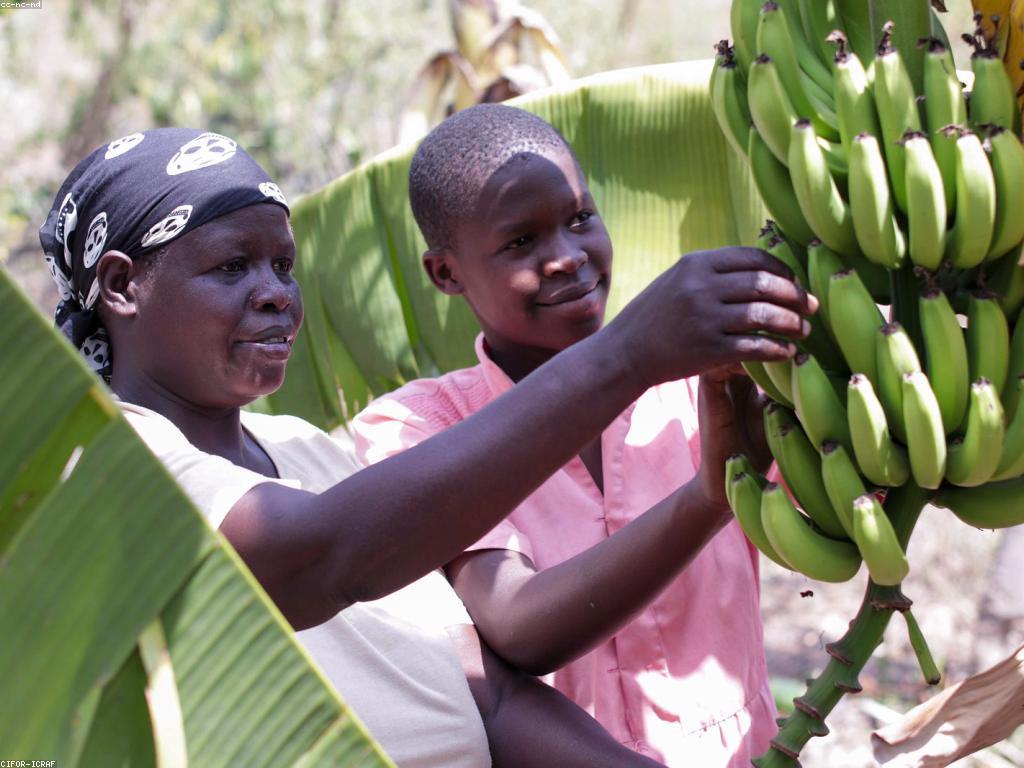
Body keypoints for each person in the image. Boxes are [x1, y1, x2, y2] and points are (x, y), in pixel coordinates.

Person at [40, 127, 813, 766]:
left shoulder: (303, 450)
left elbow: (486, 688)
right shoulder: (112, 460)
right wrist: (629, 355)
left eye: (284, 265)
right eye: (233, 266)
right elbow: (323, 560)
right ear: (120, 287)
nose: (276, 293)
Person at [351, 104, 796, 767]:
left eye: (580, 218)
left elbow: (841, 507)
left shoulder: (711, 383)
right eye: (521, 242)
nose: (567, 258)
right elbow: (517, 625)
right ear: (447, 274)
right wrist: (708, 497)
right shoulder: (414, 431)